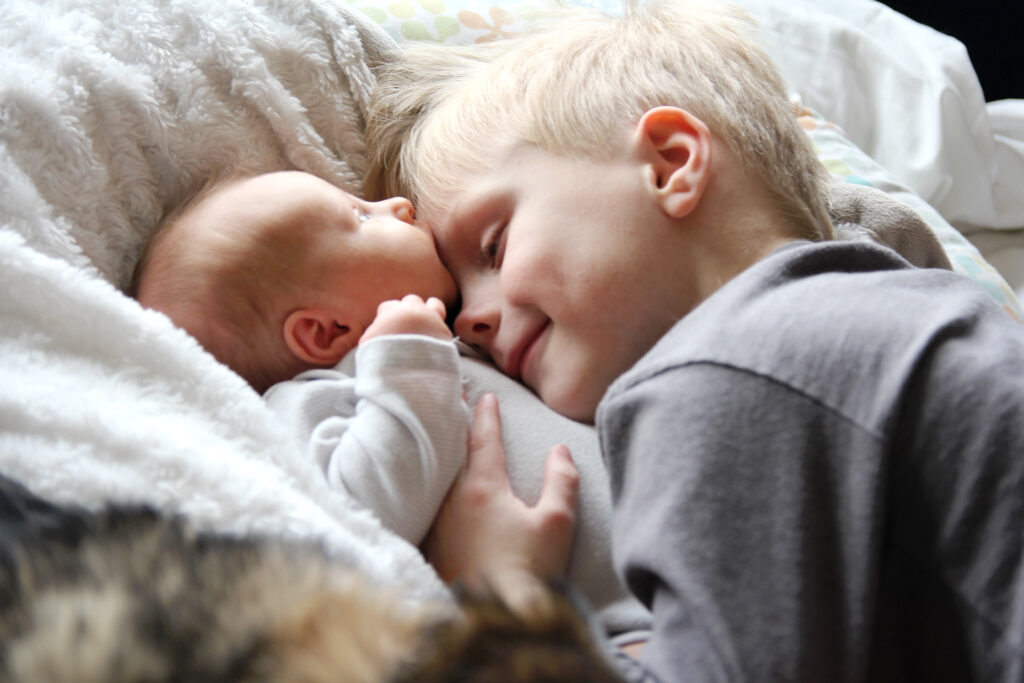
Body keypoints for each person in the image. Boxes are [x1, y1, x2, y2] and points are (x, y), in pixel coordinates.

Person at [365, 0, 1024, 680]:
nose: (467, 322)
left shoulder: (729, 368)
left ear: (670, 164)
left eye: (494, 247)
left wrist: (502, 595)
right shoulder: (898, 306)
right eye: (458, 299)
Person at [131, 170, 654, 639]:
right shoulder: (310, 401)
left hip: (660, 528)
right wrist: (407, 360)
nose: (398, 206)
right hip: (613, 618)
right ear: (323, 331)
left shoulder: (454, 340)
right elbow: (366, 511)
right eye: (361, 217)